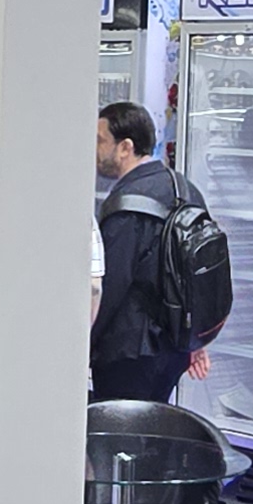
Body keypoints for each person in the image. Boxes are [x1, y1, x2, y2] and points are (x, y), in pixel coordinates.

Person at [90, 101, 200, 405]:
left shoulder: (128, 204)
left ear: (125, 147)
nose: (94, 150)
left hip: (127, 350)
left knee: (118, 429)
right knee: (154, 424)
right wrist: (197, 339)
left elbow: (110, 285)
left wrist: (84, 342)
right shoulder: (184, 188)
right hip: (174, 346)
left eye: (100, 140)